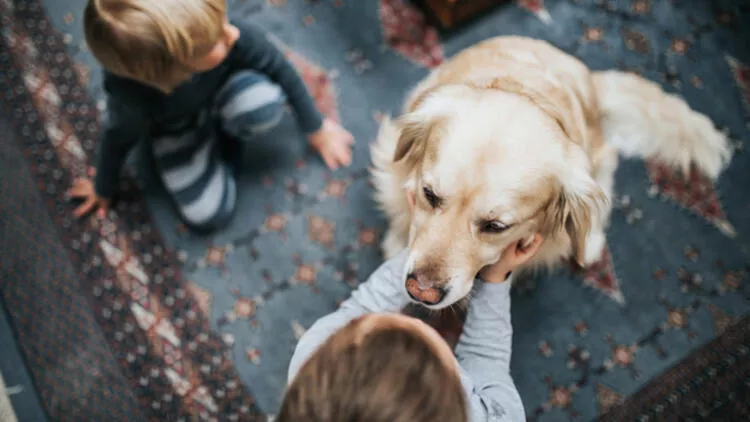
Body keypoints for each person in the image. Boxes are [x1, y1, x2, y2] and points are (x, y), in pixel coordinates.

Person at [69, 0, 354, 231]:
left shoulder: (233, 36)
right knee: (207, 215)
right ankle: (217, 147)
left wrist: (317, 128)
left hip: (226, 89)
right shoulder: (133, 101)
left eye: (224, 21)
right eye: (215, 39)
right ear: (172, 70)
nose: (232, 33)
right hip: (177, 127)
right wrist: (103, 188)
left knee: (265, 104)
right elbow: (115, 139)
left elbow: (279, 66)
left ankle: (224, 136)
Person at [280, 235, 543, 422]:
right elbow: (486, 359)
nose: (416, 317)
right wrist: (494, 278)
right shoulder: (500, 415)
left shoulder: (314, 356)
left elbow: (366, 303)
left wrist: (427, 238)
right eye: (428, 335)